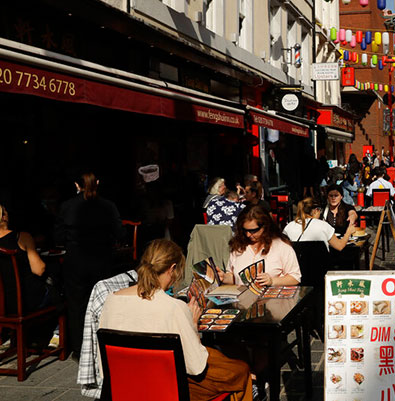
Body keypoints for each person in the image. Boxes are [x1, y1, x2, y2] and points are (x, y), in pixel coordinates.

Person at [98, 239, 252, 401]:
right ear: (172, 269)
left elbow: (103, 366)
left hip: (125, 387)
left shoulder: (111, 301)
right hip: (167, 390)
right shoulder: (174, 307)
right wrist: (192, 325)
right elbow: (196, 366)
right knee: (240, 372)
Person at [56, 172, 123, 356]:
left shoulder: (67, 206)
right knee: (102, 301)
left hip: (75, 261)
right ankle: (102, 342)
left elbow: (58, 236)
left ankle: (79, 347)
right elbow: (119, 232)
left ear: (77, 185)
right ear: (98, 183)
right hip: (101, 259)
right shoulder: (108, 206)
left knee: (76, 303)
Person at [0, 205, 59, 346]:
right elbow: (39, 269)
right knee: (56, 289)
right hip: (24, 302)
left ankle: (9, 335)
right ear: (4, 217)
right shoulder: (21, 237)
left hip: (2, 305)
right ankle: (57, 333)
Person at [219, 205, 300, 287]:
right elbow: (234, 277)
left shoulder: (281, 247)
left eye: (253, 231)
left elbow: (295, 278)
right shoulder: (239, 246)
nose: (248, 235)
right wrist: (224, 277)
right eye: (245, 230)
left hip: (272, 298)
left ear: (265, 227)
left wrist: (272, 281)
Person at [283, 197, 356, 251]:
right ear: (315, 210)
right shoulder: (323, 226)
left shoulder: (289, 227)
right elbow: (339, 246)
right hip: (320, 268)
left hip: (297, 267)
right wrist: (348, 232)